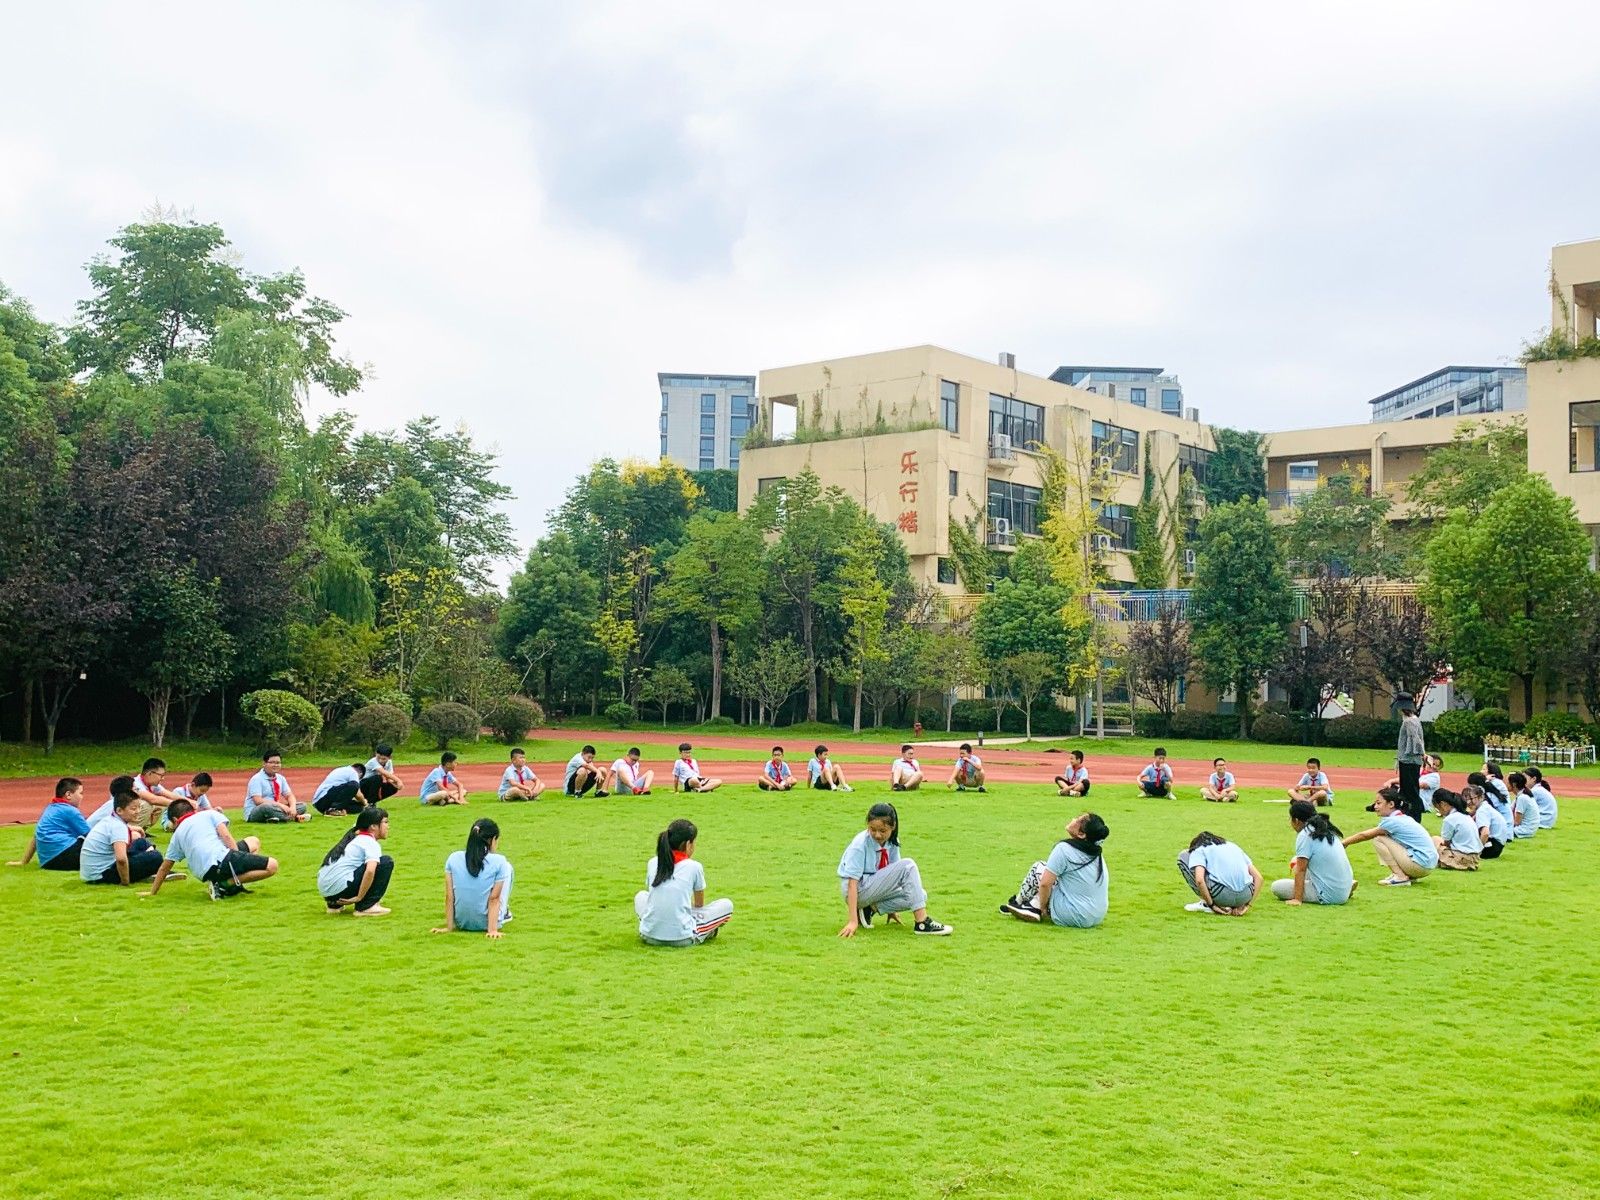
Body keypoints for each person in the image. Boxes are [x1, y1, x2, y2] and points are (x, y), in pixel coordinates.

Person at [836, 802, 952, 937]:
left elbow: (893, 877)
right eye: (872, 829)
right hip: (858, 890)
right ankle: (922, 923)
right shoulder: (860, 845)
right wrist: (852, 921)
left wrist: (892, 911)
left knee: (919, 895)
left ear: (893, 827)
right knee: (908, 865)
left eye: (882, 831)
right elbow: (852, 883)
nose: (877, 835)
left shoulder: (893, 841)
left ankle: (870, 909)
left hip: (874, 888)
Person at [146, 798, 278, 901]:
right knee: (272, 866)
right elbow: (226, 835)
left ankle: (229, 884)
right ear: (192, 810)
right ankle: (225, 884)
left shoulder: (177, 835)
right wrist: (237, 855)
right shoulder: (209, 814)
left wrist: (152, 892)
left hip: (205, 872)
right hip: (221, 859)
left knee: (253, 842)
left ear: (175, 820)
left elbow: (165, 866)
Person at [1000, 812, 1110, 928]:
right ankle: (1032, 906)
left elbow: (1045, 884)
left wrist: (1043, 909)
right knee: (1055, 876)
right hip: (1097, 916)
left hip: (1072, 914)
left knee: (1039, 867)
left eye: (1077, 820)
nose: (1073, 819)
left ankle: (1021, 904)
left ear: (1081, 834)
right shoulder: (1097, 855)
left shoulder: (1064, 849)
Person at [634, 818, 733, 946]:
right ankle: (708, 932)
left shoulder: (653, 862)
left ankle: (659, 924)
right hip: (683, 937)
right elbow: (699, 904)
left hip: (649, 935)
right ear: (688, 844)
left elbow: (655, 897)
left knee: (641, 896)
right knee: (726, 905)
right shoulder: (694, 866)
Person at [431, 818, 513, 938]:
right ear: (493, 840)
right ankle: (503, 913)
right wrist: (492, 930)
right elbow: (494, 899)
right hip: (486, 922)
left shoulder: (453, 858)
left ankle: (454, 923)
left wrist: (449, 927)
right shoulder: (499, 861)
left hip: (461, 922)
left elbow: (449, 896)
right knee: (508, 867)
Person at [1343, 787, 1437, 886]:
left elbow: (1364, 835)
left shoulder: (1392, 821)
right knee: (1386, 838)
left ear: (1391, 804)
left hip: (1420, 865)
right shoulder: (1405, 818)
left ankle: (1400, 876)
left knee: (1379, 838)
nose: (1375, 807)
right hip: (1428, 866)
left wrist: (1344, 842)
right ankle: (1405, 875)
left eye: (1379, 803)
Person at [1271, 801, 1354, 905]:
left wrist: (1297, 899)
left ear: (1296, 820)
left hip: (1329, 895)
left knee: (1277, 887)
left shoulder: (1305, 835)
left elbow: (1301, 870)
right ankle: (1344, 887)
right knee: (1295, 860)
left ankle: (1333, 890)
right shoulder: (1326, 828)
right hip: (1343, 888)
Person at [317, 806, 394, 916]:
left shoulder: (352, 838)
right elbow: (370, 871)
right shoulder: (369, 842)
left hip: (327, 893)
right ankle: (366, 907)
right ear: (373, 826)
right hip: (342, 889)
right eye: (385, 822)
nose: (388, 826)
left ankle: (334, 906)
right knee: (386, 862)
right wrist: (359, 897)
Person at [79, 789, 165, 886]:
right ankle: (155, 870)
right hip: (102, 874)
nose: (138, 812)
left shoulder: (110, 820)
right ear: (119, 810)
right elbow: (121, 859)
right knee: (156, 857)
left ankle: (155, 870)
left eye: (139, 808)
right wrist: (125, 882)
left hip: (92, 873)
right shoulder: (118, 826)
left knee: (141, 843)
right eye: (133, 809)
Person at [9, 778, 92, 871]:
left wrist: (23, 861)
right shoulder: (70, 810)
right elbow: (91, 836)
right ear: (68, 795)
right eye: (80, 793)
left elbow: (36, 837)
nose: (82, 797)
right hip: (64, 856)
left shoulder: (50, 809)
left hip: (47, 862)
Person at [1177, 832, 1261, 915]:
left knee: (1183, 856)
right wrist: (1247, 905)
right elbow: (1259, 878)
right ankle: (1233, 905)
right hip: (1245, 896)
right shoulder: (1233, 846)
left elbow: (1199, 880)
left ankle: (1206, 904)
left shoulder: (1199, 849)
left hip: (1221, 895)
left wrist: (1212, 905)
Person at [245, 751, 308, 823]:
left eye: (278, 763)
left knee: (302, 806)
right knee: (266, 807)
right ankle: (294, 817)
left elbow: (289, 795)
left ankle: (275, 818)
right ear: (264, 763)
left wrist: (292, 808)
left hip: (276, 808)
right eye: (272, 762)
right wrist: (280, 805)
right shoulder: (256, 779)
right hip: (257, 811)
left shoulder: (280, 778)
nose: (275, 765)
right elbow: (258, 801)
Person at [1431, 789, 1482, 871]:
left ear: (1443, 804)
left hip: (1461, 857)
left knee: (1434, 840)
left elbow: (1446, 842)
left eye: (1438, 808)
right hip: (1474, 859)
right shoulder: (1466, 816)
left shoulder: (1450, 819)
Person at [1395, 693, 1426, 817]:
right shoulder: (1415, 719)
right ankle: (1407, 812)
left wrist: (1421, 753)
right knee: (1408, 790)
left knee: (1410, 791)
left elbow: (1415, 739)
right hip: (1412, 760)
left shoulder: (1409, 722)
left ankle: (1415, 814)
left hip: (1408, 760)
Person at [129, 757, 178, 830]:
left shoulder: (151, 785)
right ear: (150, 774)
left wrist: (190, 802)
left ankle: (142, 829)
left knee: (159, 806)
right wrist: (180, 804)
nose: (163, 778)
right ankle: (131, 832)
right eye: (161, 775)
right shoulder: (135, 783)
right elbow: (153, 799)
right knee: (147, 805)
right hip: (118, 816)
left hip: (127, 813)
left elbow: (170, 795)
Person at [1464, 784, 1509, 860]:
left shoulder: (1482, 811)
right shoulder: (1485, 807)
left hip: (1492, 846)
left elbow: (1485, 833)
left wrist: (1478, 852)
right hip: (1497, 846)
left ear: (1481, 797)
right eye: (1466, 799)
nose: (1468, 802)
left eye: (1471, 799)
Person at [1507, 772, 1540, 840]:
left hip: (1523, 830)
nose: (1505, 784)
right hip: (1527, 829)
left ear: (1514, 784)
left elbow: (1517, 822)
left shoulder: (1522, 798)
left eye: (1507, 782)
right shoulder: (1521, 795)